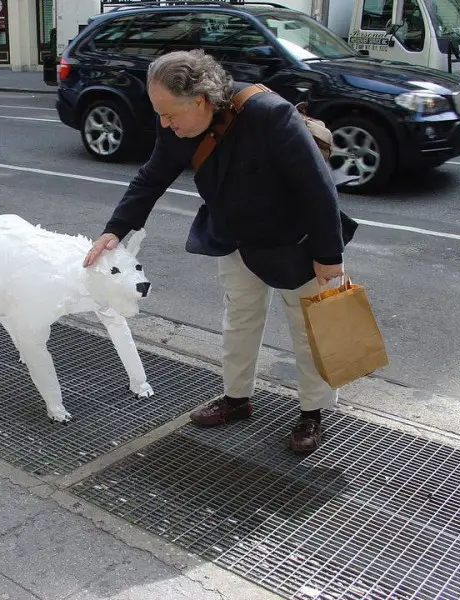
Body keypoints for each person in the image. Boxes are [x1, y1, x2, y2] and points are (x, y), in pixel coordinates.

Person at [83, 49, 357, 455]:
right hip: (235, 238)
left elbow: (318, 188)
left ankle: (312, 413)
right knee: (239, 320)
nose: (164, 124)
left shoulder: (269, 115)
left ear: (201, 101)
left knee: (311, 328)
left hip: (296, 242)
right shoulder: (177, 125)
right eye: (159, 114)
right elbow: (151, 177)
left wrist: (329, 254)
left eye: (170, 114)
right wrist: (115, 230)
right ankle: (236, 398)